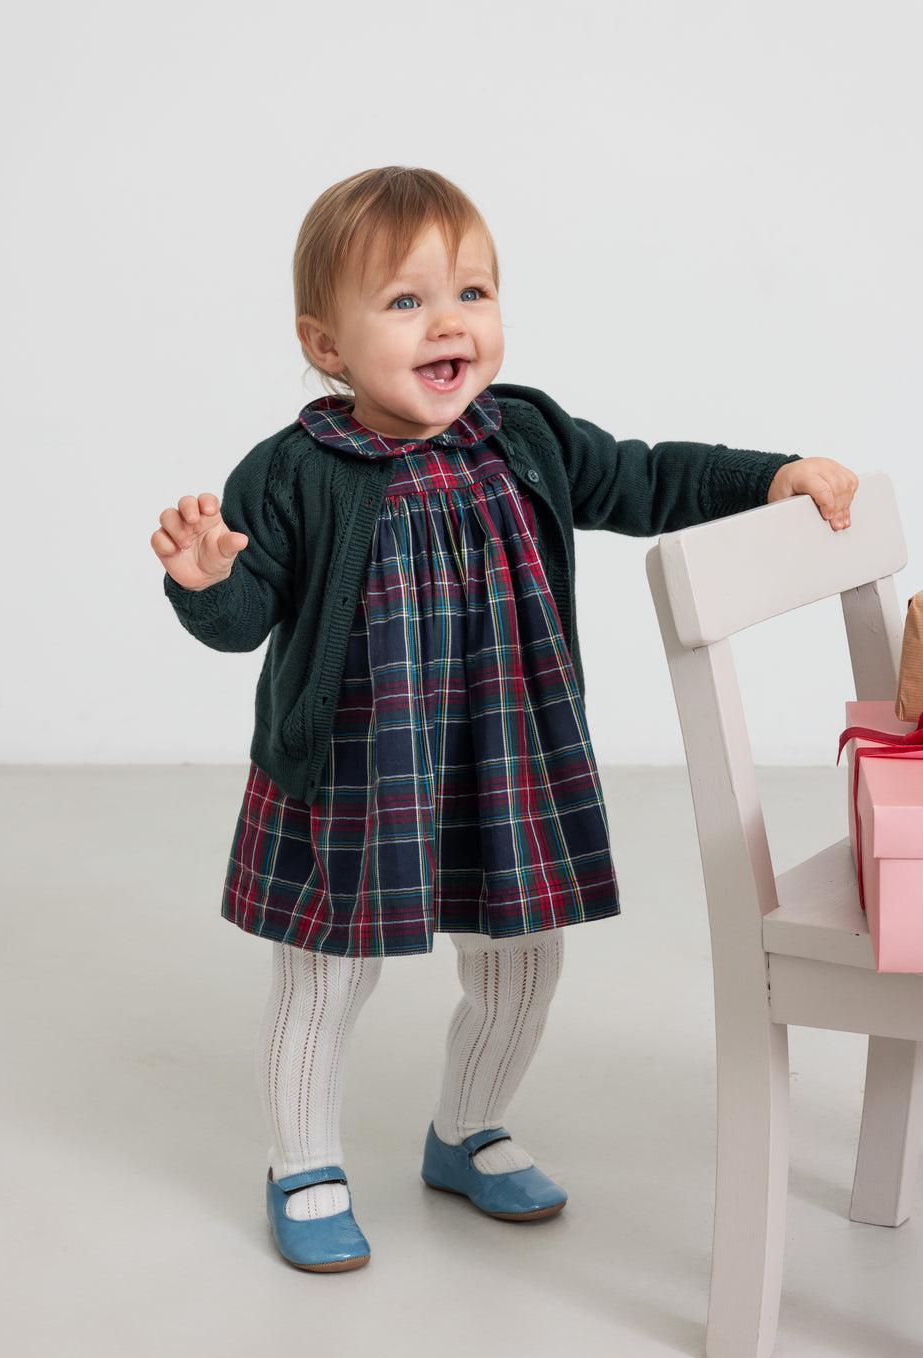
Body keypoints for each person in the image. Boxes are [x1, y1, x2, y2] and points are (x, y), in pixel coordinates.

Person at [151, 167, 857, 1273]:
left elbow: (643, 478)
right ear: (326, 343)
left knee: (521, 958)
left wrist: (769, 476)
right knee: (326, 973)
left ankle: (468, 1128)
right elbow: (245, 617)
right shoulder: (293, 472)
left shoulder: (524, 434)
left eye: (472, 293)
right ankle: (304, 1162)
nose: (450, 323)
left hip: (506, 757)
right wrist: (205, 581)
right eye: (405, 301)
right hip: (358, 774)